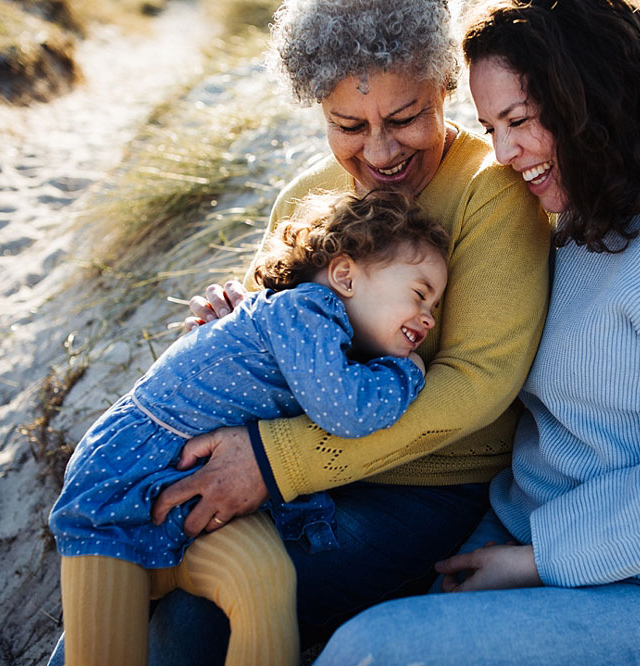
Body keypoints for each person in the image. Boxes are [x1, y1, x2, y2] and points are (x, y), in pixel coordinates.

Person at [44, 0, 550, 663]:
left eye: (405, 118)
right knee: (127, 565)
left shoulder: (491, 191)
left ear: (444, 87)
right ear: (318, 106)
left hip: (420, 490)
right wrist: (230, 318)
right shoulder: (310, 196)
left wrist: (272, 461)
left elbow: (478, 384)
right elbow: (275, 331)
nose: (380, 149)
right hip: (293, 472)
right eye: (349, 124)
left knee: (193, 620)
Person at [313, 0, 640, 664]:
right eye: (489, 126)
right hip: (518, 539)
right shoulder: (564, 228)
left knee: (369, 650)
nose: (504, 154)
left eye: (518, 121)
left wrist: (539, 560)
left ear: (589, 99)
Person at [48, 190, 452, 666]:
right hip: (125, 480)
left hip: (191, 492)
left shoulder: (316, 333)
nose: (428, 316)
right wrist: (409, 372)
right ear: (344, 275)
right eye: (419, 293)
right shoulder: (308, 310)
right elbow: (347, 411)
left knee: (264, 578)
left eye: (436, 305)